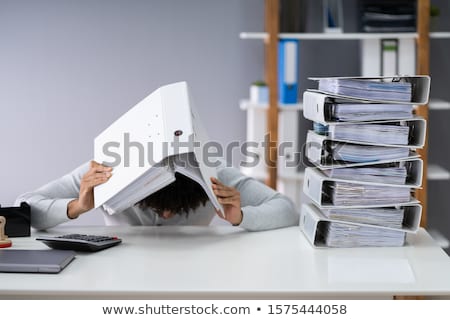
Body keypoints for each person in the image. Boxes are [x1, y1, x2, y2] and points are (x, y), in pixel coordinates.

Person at [16, 156, 299, 231]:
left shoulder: (216, 175)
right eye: (156, 206)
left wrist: (241, 217)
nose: (166, 215)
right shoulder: (106, 172)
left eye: (178, 209)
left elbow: (286, 209)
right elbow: (23, 208)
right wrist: (76, 206)